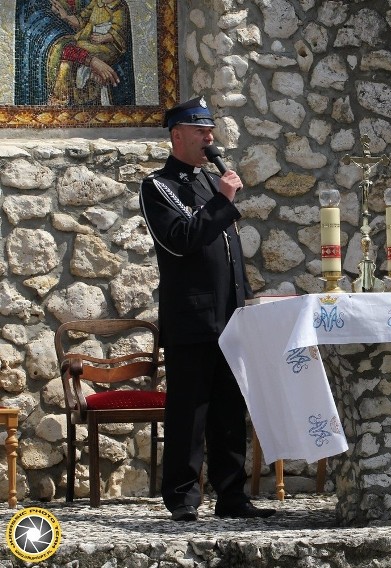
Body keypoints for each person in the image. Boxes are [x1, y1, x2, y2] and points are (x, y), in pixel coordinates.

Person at [139, 97, 274, 521]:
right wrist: (223, 200)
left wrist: (247, 299)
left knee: (229, 411)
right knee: (190, 411)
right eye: (200, 130)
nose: (209, 138)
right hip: (192, 318)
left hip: (230, 317)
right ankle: (182, 498)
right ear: (177, 134)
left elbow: (230, 254)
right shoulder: (158, 186)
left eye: (210, 130)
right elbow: (181, 238)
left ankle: (231, 497)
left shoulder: (205, 184)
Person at [45, 0, 134, 106]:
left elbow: (118, 30)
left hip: (108, 48)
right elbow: (81, 20)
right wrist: (66, 17)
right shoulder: (95, 3)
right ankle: (62, 97)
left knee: (77, 48)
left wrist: (104, 37)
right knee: (75, 48)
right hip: (89, 42)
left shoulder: (119, 7)